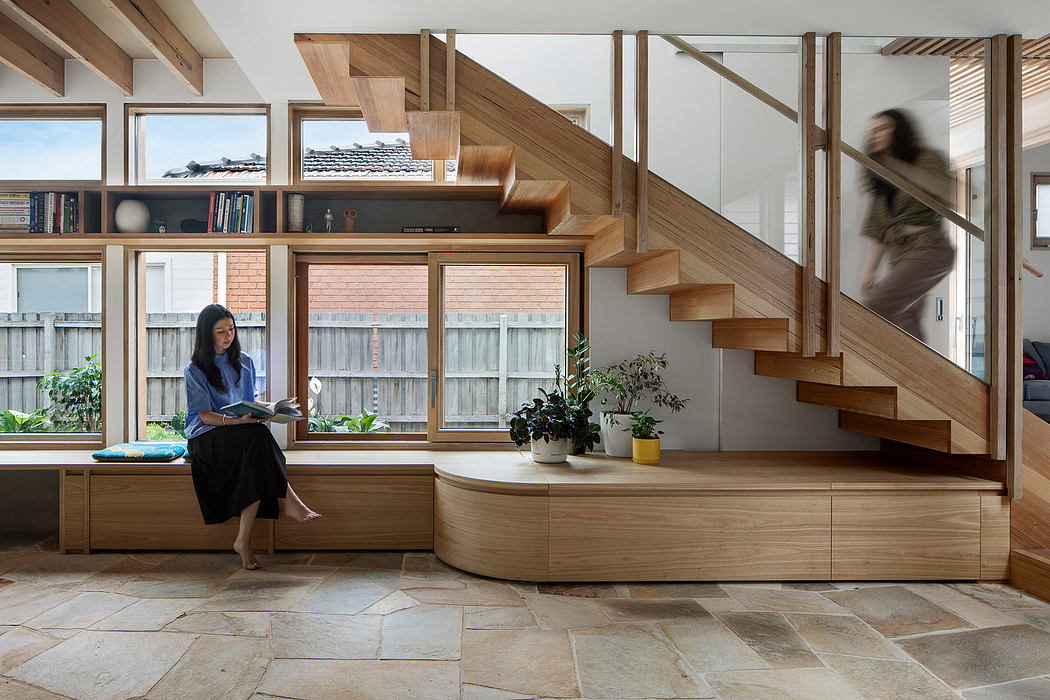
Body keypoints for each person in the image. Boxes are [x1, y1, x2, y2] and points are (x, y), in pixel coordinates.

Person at [184, 304, 320, 570]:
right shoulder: (196, 369)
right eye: (220, 331)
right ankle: (290, 499)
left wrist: (265, 410)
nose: (228, 335)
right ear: (206, 334)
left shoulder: (244, 362)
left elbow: (248, 402)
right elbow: (203, 416)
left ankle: (242, 541)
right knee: (257, 441)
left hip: (240, 433)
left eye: (231, 329)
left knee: (256, 455)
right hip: (207, 436)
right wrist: (235, 421)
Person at [859, 108, 955, 343]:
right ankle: (918, 379)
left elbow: (949, 192)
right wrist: (870, 271)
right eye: (872, 131)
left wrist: (896, 167)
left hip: (928, 247)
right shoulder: (879, 176)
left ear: (899, 131)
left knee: (874, 307)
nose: (875, 135)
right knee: (905, 322)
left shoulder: (926, 158)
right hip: (898, 253)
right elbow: (880, 228)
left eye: (882, 128)